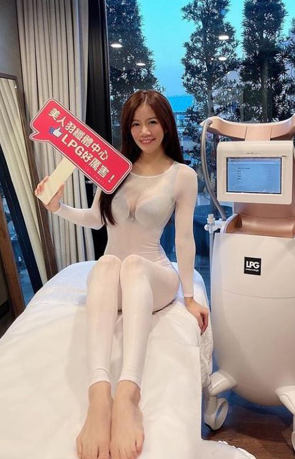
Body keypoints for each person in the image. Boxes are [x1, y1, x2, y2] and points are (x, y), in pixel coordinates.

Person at [35, 90, 209, 459]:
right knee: (107, 262)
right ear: (127, 128)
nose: (144, 131)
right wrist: (58, 206)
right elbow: (95, 218)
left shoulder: (182, 175)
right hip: (113, 278)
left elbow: (184, 240)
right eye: (135, 124)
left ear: (166, 125)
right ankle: (99, 395)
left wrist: (190, 297)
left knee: (130, 264)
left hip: (154, 275)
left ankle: (128, 394)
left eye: (152, 122)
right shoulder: (113, 168)